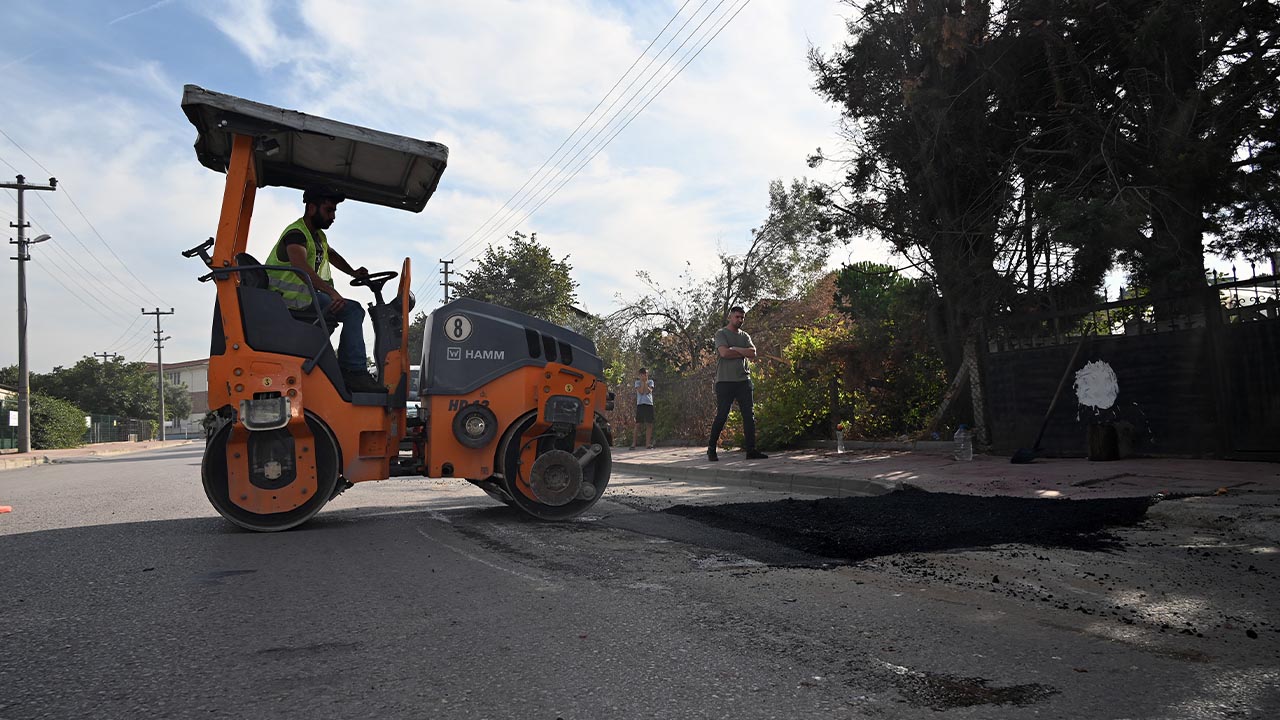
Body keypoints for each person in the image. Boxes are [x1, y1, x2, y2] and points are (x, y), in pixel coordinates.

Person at [265, 185, 385, 393]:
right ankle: (353, 371)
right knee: (353, 310)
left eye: (334, 211)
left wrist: (354, 272)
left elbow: (332, 255)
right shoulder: (296, 235)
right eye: (329, 210)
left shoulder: (316, 236)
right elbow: (300, 266)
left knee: (351, 309)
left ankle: (344, 367)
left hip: (309, 298)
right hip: (291, 301)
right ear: (312, 208)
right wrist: (332, 293)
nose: (333, 216)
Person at [707, 306, 768, 461]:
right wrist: (742, 351)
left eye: (742, 317)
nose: (740, 320)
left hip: (743, 381)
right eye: (737, 317)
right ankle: (711, 449)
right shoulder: (721, 334)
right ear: (730, 317)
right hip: (725, 381)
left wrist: (735, 348)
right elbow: (724, 353)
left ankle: (751, 451)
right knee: (722, 415)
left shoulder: (745, 336)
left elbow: (753, 353)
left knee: (749, 416)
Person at [631, 368, 655, 450]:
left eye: (645, 374)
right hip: (640, 405)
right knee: (638, 424)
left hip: (649, 404)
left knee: (649, 424)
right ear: (639, 375)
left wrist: (645, 382)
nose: (644, 376)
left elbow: (648, 391)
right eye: (642, 375)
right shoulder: (637, 383)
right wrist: (643, 382)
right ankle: (634, 443)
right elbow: (641, 391)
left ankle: (647, 444)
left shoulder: (651, 382)